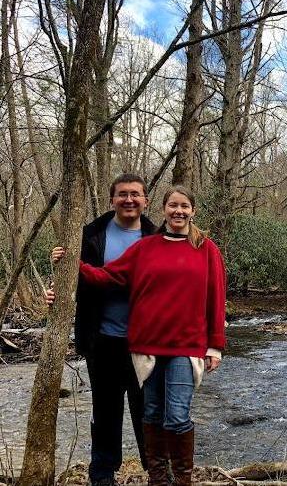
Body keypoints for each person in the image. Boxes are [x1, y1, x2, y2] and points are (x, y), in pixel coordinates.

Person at [52, 186, 226, 486]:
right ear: (163, 209)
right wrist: (71, 263)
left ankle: (181, 479)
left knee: (178, 416)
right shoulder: (147, 247)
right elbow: (106, 275)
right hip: (147, 347)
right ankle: (157, 479)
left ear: (193, 210)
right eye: (173, 206)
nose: (178, 211)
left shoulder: (206, 248)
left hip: (186, 348)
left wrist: (215, 346)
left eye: (184, 206)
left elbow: (216, 298)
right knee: (152, 413)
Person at [47, 173, 155, 486]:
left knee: (147, 410)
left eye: (136, 194)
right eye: (123, 194)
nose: (129, 200)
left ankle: (157, 472)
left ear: (146, 200)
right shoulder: (90, 234)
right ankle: (103, 475)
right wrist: (54, 288)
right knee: (106, 411)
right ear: (112, 200)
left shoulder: (156, 238)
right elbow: (72, 279)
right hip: (102, 339)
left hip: (145, 342)